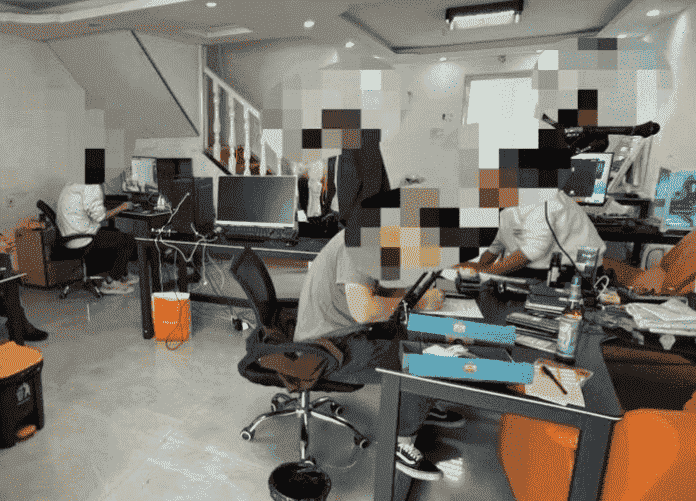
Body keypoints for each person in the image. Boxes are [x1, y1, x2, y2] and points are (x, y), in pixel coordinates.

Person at [294, 187, 466, 482]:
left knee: (421, 333)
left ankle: (422, 404)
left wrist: (412, 293)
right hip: (327, 348)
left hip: (345, 333)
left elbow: (385, 291)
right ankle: (401, 442)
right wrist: (416, 302)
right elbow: (364, 310)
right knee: (420, 358)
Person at [455, 190, 606, 281]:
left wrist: (484, 273)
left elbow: (532, 252)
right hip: (538, 267)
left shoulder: (541, 200)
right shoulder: (507, 207)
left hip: (576, 271)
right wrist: (477, 269)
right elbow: (495, 245)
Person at [56, 183, 139, 295]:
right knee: (128, 240)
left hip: (68, 238)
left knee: (114, 233)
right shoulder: (89, 187)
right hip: (83, 238)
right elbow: (101, 217)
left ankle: (123, 275)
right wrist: (122, 207)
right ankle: (110, 283)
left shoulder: (70, 186)